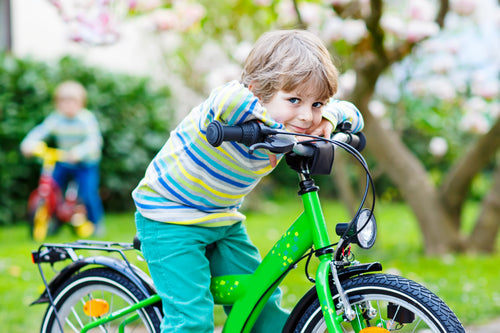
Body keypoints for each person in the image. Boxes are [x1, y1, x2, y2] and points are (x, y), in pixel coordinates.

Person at [132, 29, 364, 332]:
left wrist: (329, 118)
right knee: (191, 320)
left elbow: (353, 115)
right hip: (169, 217)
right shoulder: (228, 108)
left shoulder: (299, 119)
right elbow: (229, 97)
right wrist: (269, 126)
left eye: (316, 104)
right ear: (257, 92)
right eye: (294, 100)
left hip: (222, 218)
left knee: (260, 301)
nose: (307, 117)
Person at [21, 80, 104, 236]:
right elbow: (40, 131)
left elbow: (94, 141)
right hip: (64, 160)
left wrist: (79, 153)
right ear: (57, 103)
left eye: (72, 101)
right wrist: (28, 144)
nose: (68, 105)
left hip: (85, 162)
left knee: (88, 192)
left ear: (81, 103)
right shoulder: (56, 119)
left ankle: (95, 223)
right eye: (63, 101)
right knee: (53, 188)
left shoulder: (86, 119)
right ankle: (54, 220)